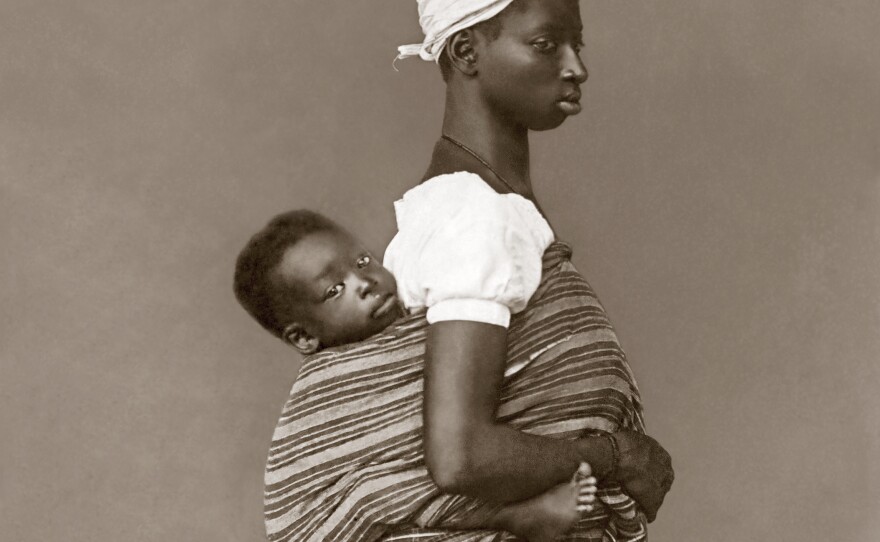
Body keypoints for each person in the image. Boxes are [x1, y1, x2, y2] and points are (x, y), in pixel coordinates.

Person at [388, 0, 674, 537]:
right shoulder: (475, 216)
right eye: (546, 45)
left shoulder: (486, 206)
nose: (576, 68)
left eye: (576, 46)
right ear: (466, 52)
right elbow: (459, 455)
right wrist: (616, 454)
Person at [234, 209, 599, 542]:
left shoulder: (429, 307)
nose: (365, 282)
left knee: (444, 461)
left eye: (362, 261)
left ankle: (516, 518)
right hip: (368, 520)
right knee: (377, 490)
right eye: (334, 290)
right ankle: (513, 518)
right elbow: (306, 507)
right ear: (303, 337)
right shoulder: (326, 388)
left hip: (431, 508)